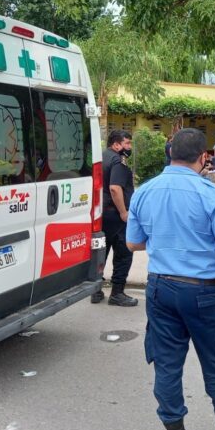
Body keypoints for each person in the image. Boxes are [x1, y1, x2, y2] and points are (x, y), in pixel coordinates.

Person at [126, 128, 215, 430]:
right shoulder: (211, 193)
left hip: (161, 287)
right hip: (203, 290)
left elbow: (133, 243)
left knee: (167, 365)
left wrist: (165, 239)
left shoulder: (145, 191)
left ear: (171, 153)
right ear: (203, 158)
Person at [91, 130, 139, 307]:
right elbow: (115, 188)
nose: (129, 147)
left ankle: (95, 291)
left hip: (102, 213)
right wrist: (123, 212)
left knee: (101, 251)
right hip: (116, 214)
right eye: (127, 143)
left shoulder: (101, 157)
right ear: (116, 144)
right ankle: (117, 293)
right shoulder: (118, 161)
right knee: (123, 253)